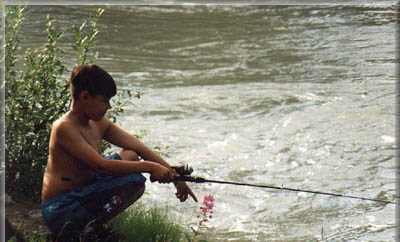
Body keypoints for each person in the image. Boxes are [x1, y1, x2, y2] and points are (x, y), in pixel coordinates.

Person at [41, 64, 197, 240]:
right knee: (134, 182)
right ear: (85, 97)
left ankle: (91, 226)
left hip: (86, 192)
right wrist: (150, 167)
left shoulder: (98, 123)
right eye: (104, 100)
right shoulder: (64, 127)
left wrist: (175, 177)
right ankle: (84, 231)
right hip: (62, 209)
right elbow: (101, 167)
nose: (108, 106)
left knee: (130, 155)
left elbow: (138, 147)